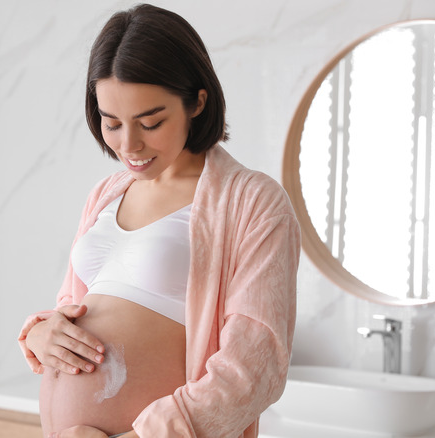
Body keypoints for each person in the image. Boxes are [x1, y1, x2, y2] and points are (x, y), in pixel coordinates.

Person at [18, 4, 300, 438]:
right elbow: (70, 307)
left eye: (150, 122)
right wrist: (42, 333)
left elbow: (256, 367)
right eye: (111, 124)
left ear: (197, 102)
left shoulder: (253, 202)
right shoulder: (105, 194)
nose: (128, 145)